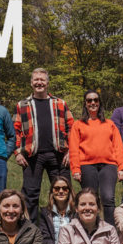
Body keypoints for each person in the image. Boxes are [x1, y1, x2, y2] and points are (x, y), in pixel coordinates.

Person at [13, 68, 75, 218]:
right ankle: (30, 229)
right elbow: (15, 130)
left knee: (63, 192)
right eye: (36, 80)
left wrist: (70, 151)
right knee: (30, 193)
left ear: (47, 83)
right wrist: (17, 153)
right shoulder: (22, 105)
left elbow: (72, 128)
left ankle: (65, 226)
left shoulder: (60, 103)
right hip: (32, 156)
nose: (39, 82)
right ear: (31, 83)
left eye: (42, 80)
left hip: (59, 155)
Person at [68, 90, 123, 223]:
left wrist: (122, 167)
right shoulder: (78, 125)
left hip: (108, 166)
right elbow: (74, 149)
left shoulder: (109, 124)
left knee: (108, 198)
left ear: (99, 103)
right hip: (87, 166)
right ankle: (91, 229)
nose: (93, 103)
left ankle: (110, 231)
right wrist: (76, 169)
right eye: (89, 100)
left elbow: (118, 146)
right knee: (90, 199)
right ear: (85, 104)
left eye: (95, 100)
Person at [34, 176, 74, 244]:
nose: (60, 191)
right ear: (52, 191)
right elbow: (44, 235)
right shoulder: (45, 213)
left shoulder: (76, 213)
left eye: (64, 188)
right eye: (56, 189)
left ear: (69, 191)